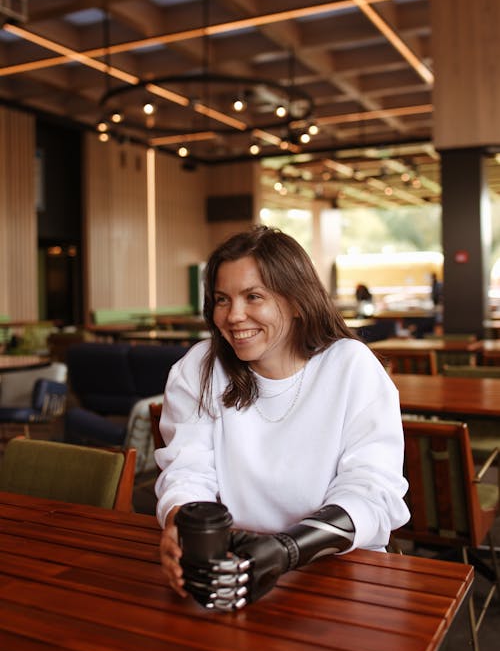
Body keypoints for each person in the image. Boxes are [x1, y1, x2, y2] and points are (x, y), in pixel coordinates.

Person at [155, 226, 409, 611]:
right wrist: (181, 521)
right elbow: (187, 471)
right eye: (222, 299)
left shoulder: (351, 366)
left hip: (342, 570)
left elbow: (371, 492)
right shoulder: (200, 368)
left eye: (253, 297)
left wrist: (285, 550)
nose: (233, 316)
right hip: (235, 566)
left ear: (295, 301)